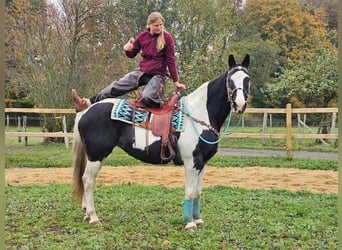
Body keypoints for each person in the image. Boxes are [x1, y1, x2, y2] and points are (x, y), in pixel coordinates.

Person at [72, 11, 186, 111]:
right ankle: (87, 103)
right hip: (142, 71)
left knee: (146, 97)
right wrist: (126, 49)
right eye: (156, 25)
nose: (159, 28)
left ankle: (161, 101)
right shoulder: (142, 37)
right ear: (149, 25)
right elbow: (132, 54)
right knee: (115, 86)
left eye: (161, 25)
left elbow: (171, 60)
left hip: (158, 75)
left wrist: (176, 81)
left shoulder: (167, 38)